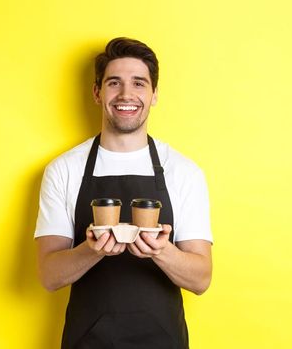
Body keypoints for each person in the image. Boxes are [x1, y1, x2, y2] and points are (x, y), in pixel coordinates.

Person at [34, 37, 213, 348]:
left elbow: (201, 279)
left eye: (139, 83)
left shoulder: (183, 171)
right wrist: (93, 250)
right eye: (114, 83)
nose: (126, 94)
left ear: (154, 94)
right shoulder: (64, 169)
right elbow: (49, 276)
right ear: (97, 92)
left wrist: (160, 250)